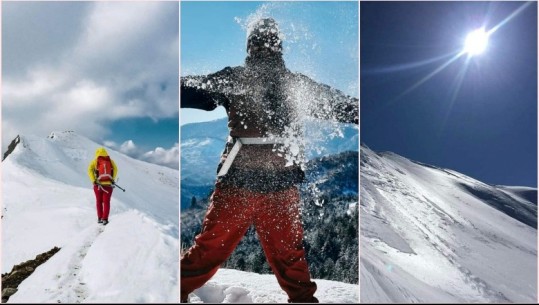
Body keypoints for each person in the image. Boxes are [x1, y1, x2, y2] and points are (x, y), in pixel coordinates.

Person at [180, 18, 358, 303]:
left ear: (250, 46)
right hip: (280, 187)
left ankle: (176, 289)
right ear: (279, 47)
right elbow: (343, 107)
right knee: (291, 260)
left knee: (208, 252)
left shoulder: (235, 78)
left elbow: (189, 89)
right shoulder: (296, 85)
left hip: (239, 181)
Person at [88, 147, 118, 226]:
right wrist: (112, 178)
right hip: (108, 185)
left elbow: (89, 170)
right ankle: (105, 219)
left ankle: (99, 218)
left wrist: (93, 180)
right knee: (106, 202)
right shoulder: (110, 161)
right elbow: (116, 169)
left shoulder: (95, 161)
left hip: (98, 185)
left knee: (99, 202)